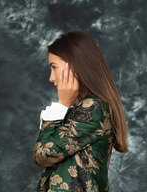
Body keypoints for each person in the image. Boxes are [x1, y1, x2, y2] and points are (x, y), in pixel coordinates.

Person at [33, 30, 128, 192]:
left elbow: (43, 155)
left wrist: (62, 104)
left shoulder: (93, 107)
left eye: (54, 67)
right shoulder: (83, 106)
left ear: (75, 67)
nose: (51, 77)